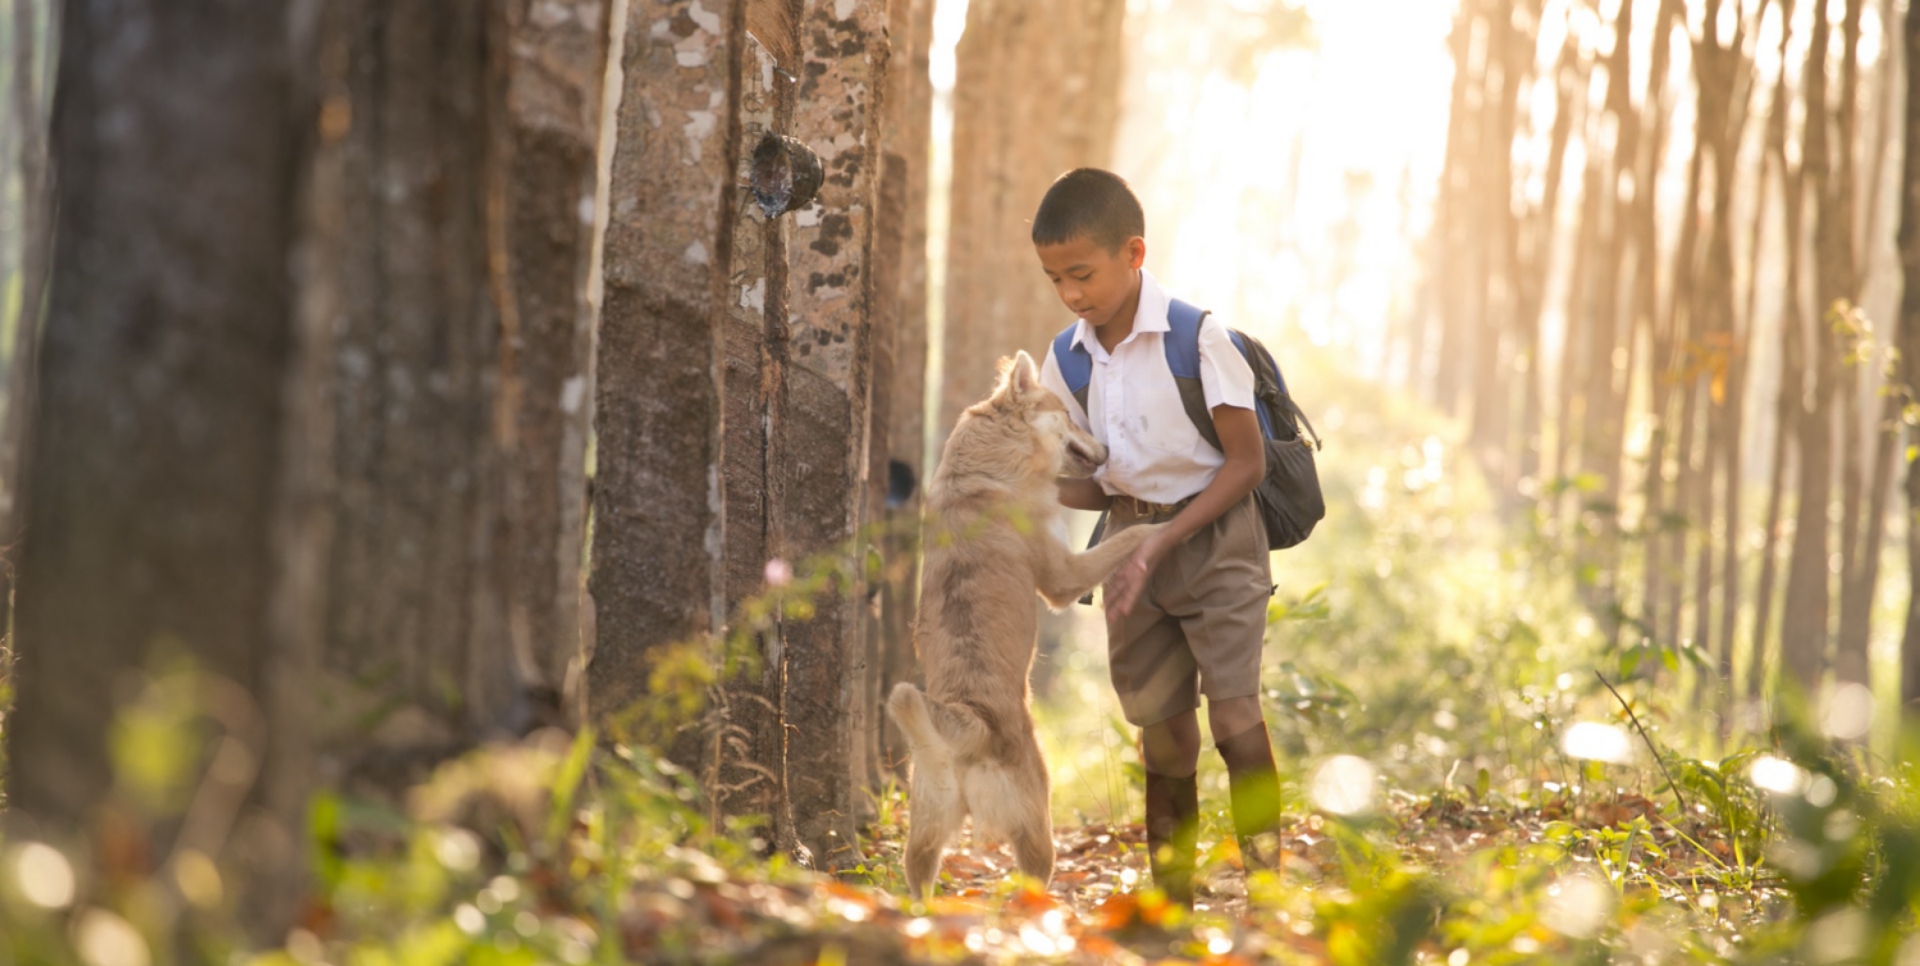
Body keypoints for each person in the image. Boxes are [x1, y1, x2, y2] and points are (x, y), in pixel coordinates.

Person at [1031, 168, 1281, 905]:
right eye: (1055, 280)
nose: (1073, 294)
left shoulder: (1197, 338)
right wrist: (1024, 490)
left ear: (1134, 253)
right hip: (1127, 549)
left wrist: (1165, 541)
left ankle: (1268, 891)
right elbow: (1088, 484)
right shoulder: (1066, 360)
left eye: (1083, 273)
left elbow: (1247, 462)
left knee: (1235, 716)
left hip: (1217, 539)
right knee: (1164, 736)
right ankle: (1172, 900)